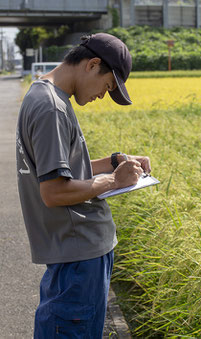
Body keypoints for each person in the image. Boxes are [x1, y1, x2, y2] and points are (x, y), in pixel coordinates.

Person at [16, 33, 151, 338]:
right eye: (107, 87)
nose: (102, 96)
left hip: (75, 253)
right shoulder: (52, 108)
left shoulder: (46, 96)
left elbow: (60, 172)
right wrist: (112, 182)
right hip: (78, 255)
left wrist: (115, 161)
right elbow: (53, 191)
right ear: (92, 65)